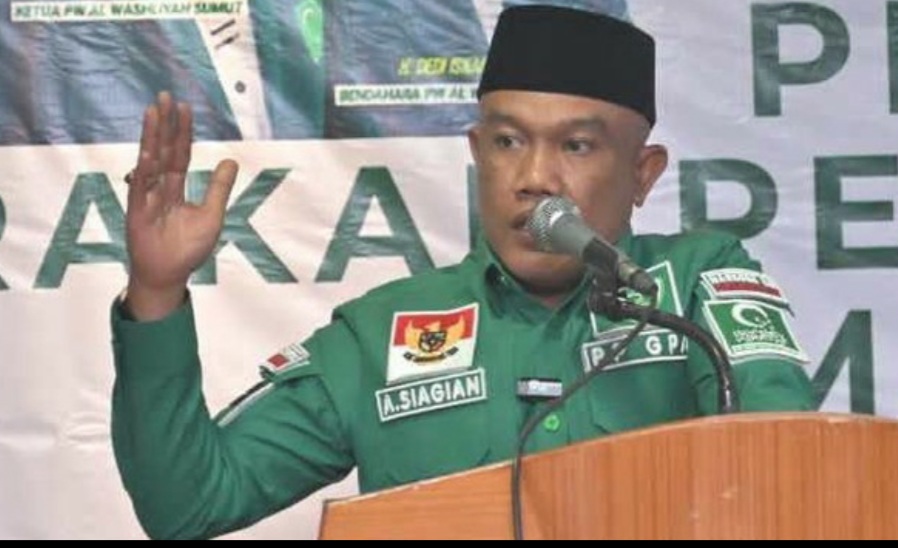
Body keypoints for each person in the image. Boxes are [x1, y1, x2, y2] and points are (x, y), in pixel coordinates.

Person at [110, 4, 816, 540]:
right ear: (477, 153)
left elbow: (781, 463)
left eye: (576, 146)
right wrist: (157, 293)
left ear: (642, 173)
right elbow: (189, 504)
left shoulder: (693, 284)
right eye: (508, 142)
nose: (534, 178)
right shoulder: (383, 332)